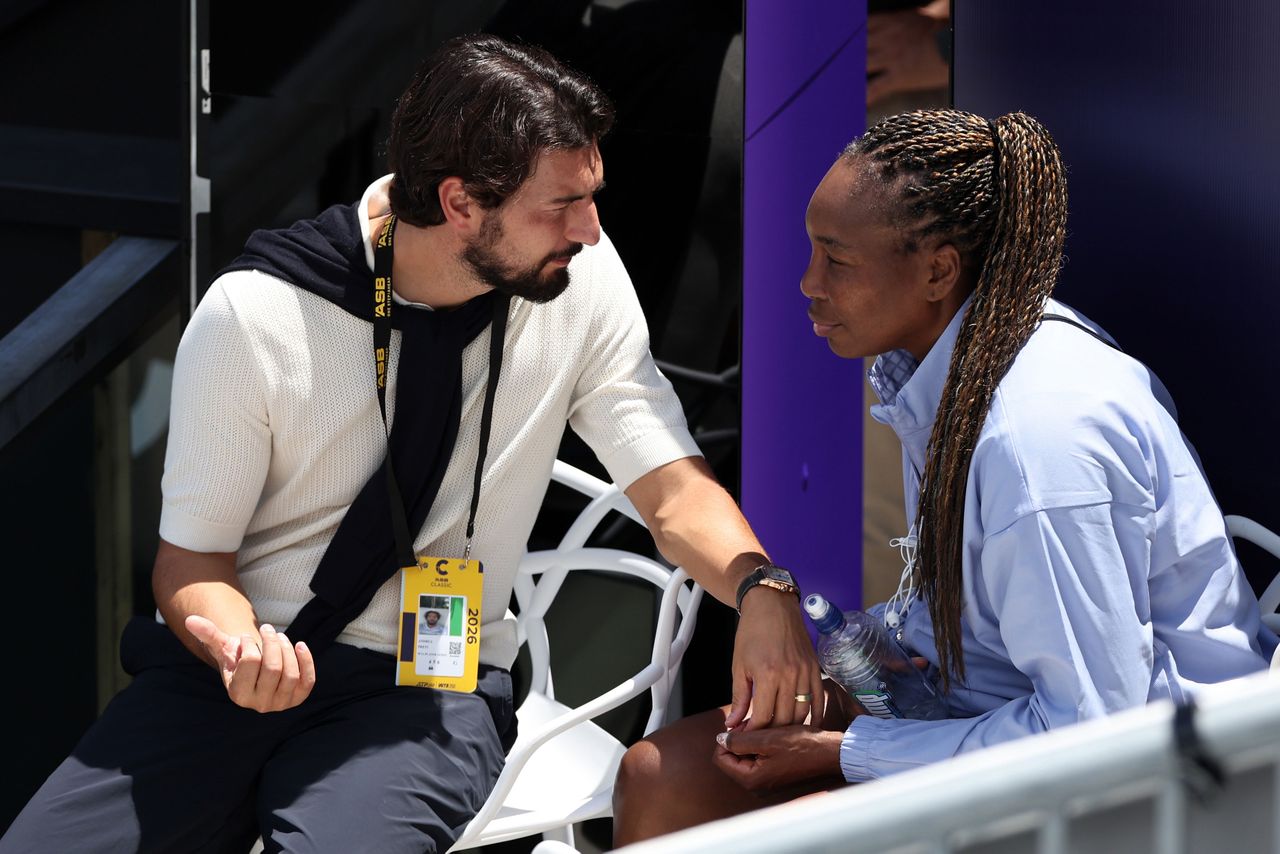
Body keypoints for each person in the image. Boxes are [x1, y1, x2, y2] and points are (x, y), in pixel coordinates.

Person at [1, 35, 821, 854]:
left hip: (430, 684)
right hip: (234, 672)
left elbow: (671, 489)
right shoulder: (255, 316)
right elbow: (191, 567)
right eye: (562, 206)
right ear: (461, 203)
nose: (593, 230)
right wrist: (237, 648)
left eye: (593, 195)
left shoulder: (580, 286)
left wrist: (763, 588)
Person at [611, 108, 1278, 843]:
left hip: (1149, 788)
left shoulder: (1038, 448)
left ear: (937, 271)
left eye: (837, 258)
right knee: (659, 778)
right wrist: (876, 657)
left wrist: (849, 752)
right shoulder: (941, 370)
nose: (807, 283)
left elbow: (1094, 730)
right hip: (976, 712)